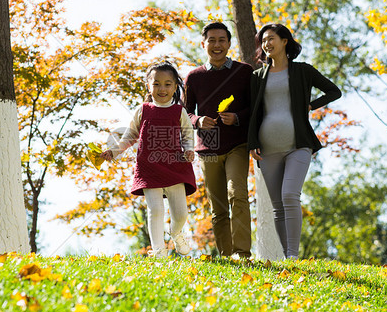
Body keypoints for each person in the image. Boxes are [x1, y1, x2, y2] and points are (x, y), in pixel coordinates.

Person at [248, 23, 342, 260]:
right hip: (267, 149)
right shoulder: (257, 76)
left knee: (290, 194)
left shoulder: (303, 71)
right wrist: (251, 143)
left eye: (271, 39)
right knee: (278, 206)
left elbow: (334, 91)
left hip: (298, 145)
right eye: (264, 40)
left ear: (284, 41)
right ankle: (285, 257)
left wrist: (311, 105)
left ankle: (293, 256)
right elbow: (253, 112)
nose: (267, 44)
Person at [100, 60, 196, 258]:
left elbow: (187, 135)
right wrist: (114, 151)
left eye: (167, 84)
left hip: (176, 168)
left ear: (175, 86)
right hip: (149, 168)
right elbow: (129, 136)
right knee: (155, 211)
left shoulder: (180, 111)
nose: (162, 88)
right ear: (148, 86)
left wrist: (189, 150)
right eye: (156, 84)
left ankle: (176, 233)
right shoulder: (143, 110)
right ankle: (159, 252)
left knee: (180, 214)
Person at [184, 22, 253, 258]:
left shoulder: (244, 72)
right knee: (218, 207)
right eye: (211, 40)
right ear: (203, 44)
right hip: (208, 148)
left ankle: (242, 253)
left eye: (221, 40)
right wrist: (198, 121)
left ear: (229, 43)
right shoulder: (193, 77)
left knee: (238, 195)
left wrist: (237, 117)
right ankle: (226, 255)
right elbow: (185, 112)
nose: (217, 45)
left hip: (237, 144)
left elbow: (254, 108)